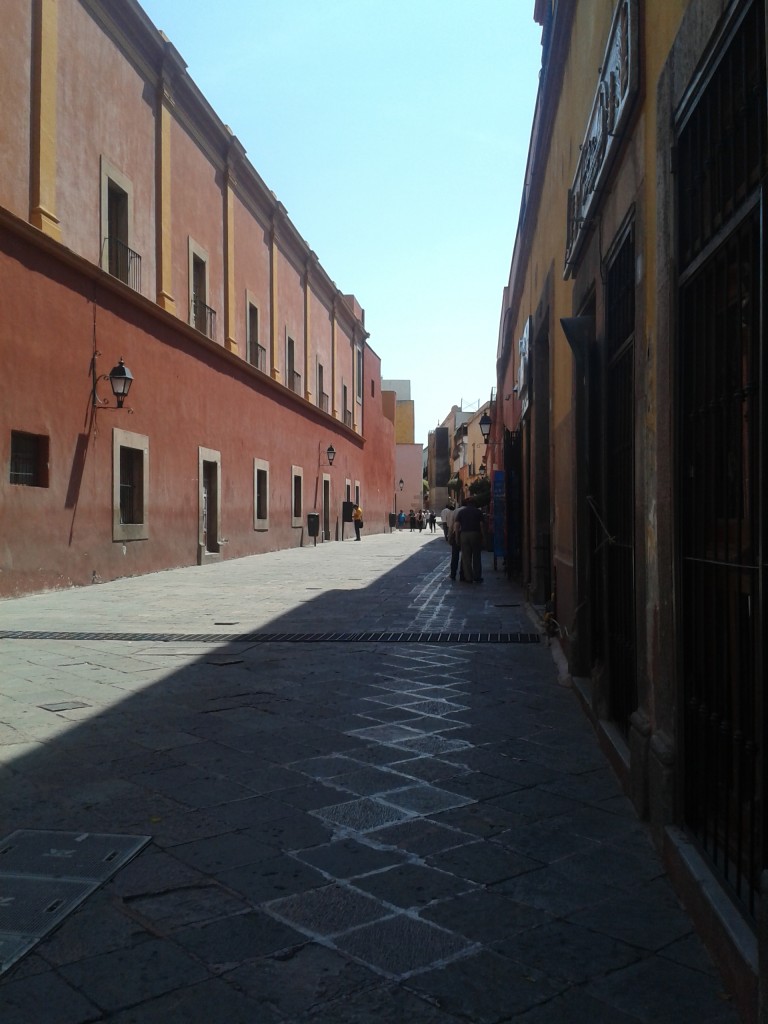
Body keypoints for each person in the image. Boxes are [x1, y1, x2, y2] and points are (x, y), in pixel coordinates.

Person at [454, 497, 484, 583]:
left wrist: (457, 537)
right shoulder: (478, 512)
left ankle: (468, 577)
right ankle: (477, 576)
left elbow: (457, 525)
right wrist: (484, 537)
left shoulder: (461, 512)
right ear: (475, 504)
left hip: (464, 534)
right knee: (476, 556)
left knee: (466, 557)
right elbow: (481, 525)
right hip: (475, 534)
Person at [442, 501, 463, 581]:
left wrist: (449, 537)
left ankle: (453, 574)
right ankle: (463, 575)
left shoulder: (455, 512)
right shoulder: (474, 510)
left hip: (456, 534)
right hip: (465, 533)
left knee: (455, 556)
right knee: (465, 556)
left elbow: (451, 526)